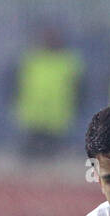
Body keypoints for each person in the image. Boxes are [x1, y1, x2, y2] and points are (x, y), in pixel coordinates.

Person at [14, 25, 85, 155]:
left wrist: (76, 108)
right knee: (30, 156)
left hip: (57, 120)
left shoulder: (69, 62)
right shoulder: (31, 59)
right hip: (33, 119)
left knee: (52, 157)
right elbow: (16, 85)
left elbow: (79, 90)